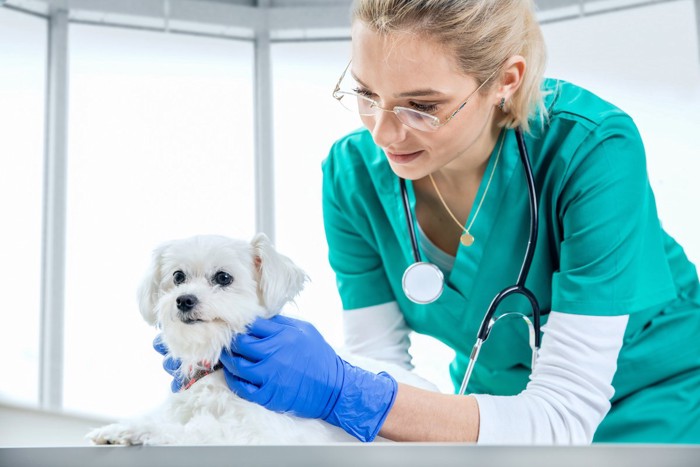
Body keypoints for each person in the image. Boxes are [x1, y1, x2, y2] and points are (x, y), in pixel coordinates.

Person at [158, 0, 700, 444]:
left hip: (653, 396)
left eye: (422, 105)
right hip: (493, 406)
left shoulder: (592, 150)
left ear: (505, 80)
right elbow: (380, 361)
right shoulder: (354, 175)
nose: (384, 133)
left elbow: (562, 417)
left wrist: (344, 390)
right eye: (367, 95)